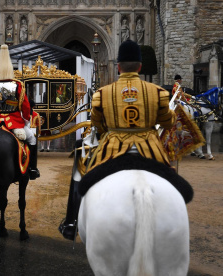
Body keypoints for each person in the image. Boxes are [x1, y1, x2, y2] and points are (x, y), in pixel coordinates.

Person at [58, 39, 176, 240]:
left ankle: (71, 222)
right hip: (151, 150)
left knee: (80, 155)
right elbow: (168, 123)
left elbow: (97, 124)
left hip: (112, 149)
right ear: (140, 66)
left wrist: (110, 129)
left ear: (118, 67)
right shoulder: (159, 93)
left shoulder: (102, 94)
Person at [0, 44, 40, 180]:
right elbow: (25, 107)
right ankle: (32, 168)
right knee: (32, 139)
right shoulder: (18, 85)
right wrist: (25, 120)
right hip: (14, 123)